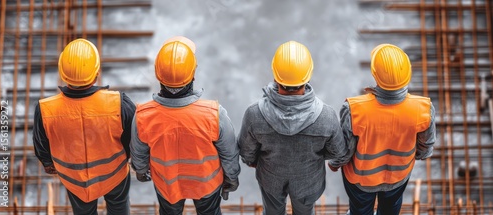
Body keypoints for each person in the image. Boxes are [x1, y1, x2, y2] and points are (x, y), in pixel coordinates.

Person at [130, 36, 240, 215]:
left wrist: (141, 171)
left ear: (158, 75)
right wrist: (232, 178)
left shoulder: (143, 116)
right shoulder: (214, 114)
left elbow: (138, 153)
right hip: (206, 184)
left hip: (168, 185)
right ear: (193, 74)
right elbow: (229, 153)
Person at [238, 40, 347, 215]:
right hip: (308, 181)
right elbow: (338, 152)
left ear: (275, 75)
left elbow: (246, 152)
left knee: (273, 211)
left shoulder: (254, 114)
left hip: (271, 178)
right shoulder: (326, 116)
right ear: (308, 75)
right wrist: (319, 155)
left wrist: (253, 161)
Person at [328, 44, 436, 215]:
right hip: (398, 177)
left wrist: (335, 164)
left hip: (361, 179)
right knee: (390, 209)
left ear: (375, 74)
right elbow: (425, 148)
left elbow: (346, 151)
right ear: (407, 74)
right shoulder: (423, 108)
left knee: (360, 211)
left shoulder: (355, 109)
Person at [33, 38, 135, 215]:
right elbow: (133, 140)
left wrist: (49, 164)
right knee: (119, 207)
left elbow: (41, 146)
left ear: (63, 74)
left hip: (75, 179)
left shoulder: (45, 110)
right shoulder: (119, 103)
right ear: (96, 73)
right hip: (114, 174)